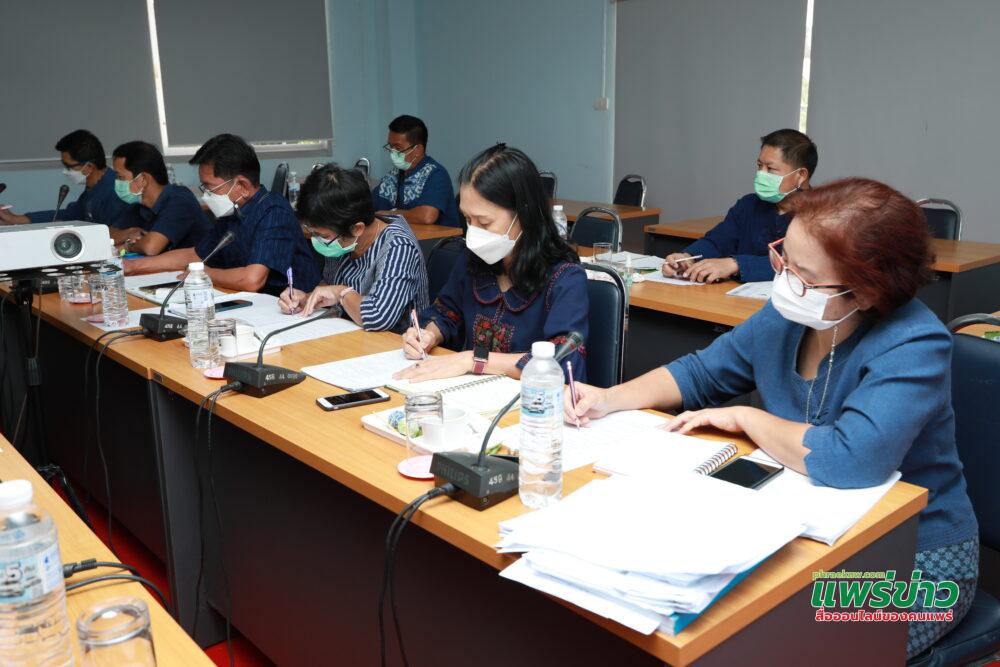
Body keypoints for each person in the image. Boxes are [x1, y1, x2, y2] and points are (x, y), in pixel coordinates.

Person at [570, 178, 978, 659]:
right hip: (804, 532)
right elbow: (702, 371)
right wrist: (610, 399)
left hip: (913, 558)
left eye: (803, 274)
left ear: (866, 292)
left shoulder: (914, 343)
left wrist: (747, 418)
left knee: (789, 648)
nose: (784, 279)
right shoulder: (795, 311)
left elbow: (851, 459)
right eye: (783, 257)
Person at [394, 144, 588, 382]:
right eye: (467, 219)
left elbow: (562, 359)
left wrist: (473, 359)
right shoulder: (473, 259)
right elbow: (447, 313)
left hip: (534, 399)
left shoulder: (565, 277)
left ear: (523, 214)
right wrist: (427, 335)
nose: (474, 232)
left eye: (484, 223)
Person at [124, 134, 320, 295]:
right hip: (251, 303)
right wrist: (133, 266)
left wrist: (204, 274)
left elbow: (252, 280)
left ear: (242, 185)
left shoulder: (273, 211)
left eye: (209, 187)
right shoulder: (232, 212)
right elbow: (195, 255)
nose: (206, 194)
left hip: (294, 308)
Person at [278, 163, 429, 332]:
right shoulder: (343, 238)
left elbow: (377, 317)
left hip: (396, 342)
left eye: (323, 236)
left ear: (357, 229)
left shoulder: (399, 247)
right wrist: (306, 299)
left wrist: (341, 293)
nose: (317, 240)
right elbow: (330, 286)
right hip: (350, 334)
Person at [661, 129, 817, 284]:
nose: (761, 174)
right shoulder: (749, 205)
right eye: (759, 166)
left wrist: (736, 264)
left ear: (801, 175)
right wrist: (687, 257)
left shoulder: (822, 215)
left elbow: (801, 265)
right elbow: (717, 241)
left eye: (770, 169)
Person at [0, 129, 128, 228]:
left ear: (89, 167)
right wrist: (17, 219)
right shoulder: (93, 188)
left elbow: (109, 235)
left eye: (68, 166)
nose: (65, 171)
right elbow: (69, 215)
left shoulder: (114, 192)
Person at [110, 141, 210, 254]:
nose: (117, 182)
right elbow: (108, 234)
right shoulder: (139, 205)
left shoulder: (180, 200)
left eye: (120, 177)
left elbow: (150, 247)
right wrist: (129, 233)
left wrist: (127, 245)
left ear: (143, 179)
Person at [372, 115, 461, 228]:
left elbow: (427, 216)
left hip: (439, 239)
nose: (392, 153)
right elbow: (367, 206)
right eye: (390, 147)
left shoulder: (436, 174)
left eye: (398, 148)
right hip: (405, 237)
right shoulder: (392, 175)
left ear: (417, 150)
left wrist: (390, 214)